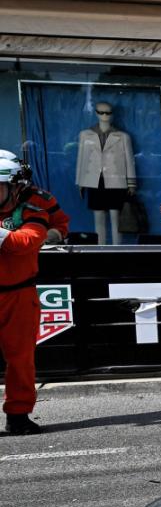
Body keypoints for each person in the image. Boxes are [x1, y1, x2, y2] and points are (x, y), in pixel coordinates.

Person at [1, 151, 67, 435]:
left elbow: (29, 239)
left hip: (17, 293)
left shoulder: (35, 207)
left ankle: (18, 414)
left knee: (21, 358)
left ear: (14, 185)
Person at [75, 101, 135, 245]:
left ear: (112, 114)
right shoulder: (85, 135)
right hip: (94, 181)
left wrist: (131, 183)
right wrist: (81, 182)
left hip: (116, 180)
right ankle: (100, 248)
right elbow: (81, 159)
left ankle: (117, 249)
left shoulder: (123, 136)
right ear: (96, 113)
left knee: (116, 217)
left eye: (108, 113)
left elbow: (129, 160)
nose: (105, 116)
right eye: (101, 112)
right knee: (98, 217)